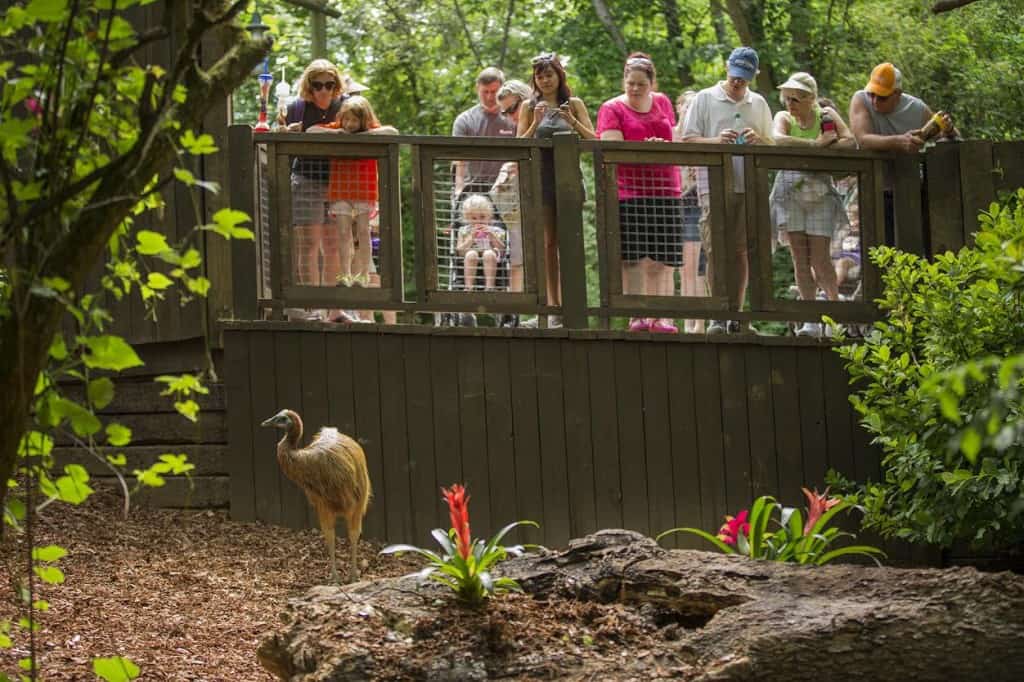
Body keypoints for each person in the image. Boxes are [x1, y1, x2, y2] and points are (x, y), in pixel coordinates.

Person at [681, 46, 774, 335]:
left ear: (753, 77)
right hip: (713, 185)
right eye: (735, 76)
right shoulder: (705, 99)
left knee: (741, 251)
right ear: (726, 68)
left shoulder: (758, 103)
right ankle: (718, 314)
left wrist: (759, 139)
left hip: (748, 185)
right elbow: (687, 140)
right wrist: (715, 141)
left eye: (744, 79)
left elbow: (772, 144)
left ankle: (737, 314)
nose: (737, 82)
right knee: (715, 251)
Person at [597, 52, 684, 334]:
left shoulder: (663, 102)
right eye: (630, 82)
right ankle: (637, 315)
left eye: (641, 84)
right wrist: (645, 147)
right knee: (633, 258)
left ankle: (660, 317)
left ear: (651, 83)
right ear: (624, 80)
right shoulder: (611, 108)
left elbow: (673, 135)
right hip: (629, 191)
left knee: (660, 259)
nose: (634, 88)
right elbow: (611, 145)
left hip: (666, 188)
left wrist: (660, 144)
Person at [768, 72, 855, 336]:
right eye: (787, 98)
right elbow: (778, 139)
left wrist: (830, 143)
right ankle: (810, 320)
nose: (790, 104)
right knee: (800, 259)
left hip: (820, 194)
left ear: (811, 99)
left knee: (820, 258)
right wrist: (816, 145)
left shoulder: (826, 115)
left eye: (796, 98)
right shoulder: (783, 118)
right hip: (791, 193)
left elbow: (850, 141)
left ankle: (834, 317)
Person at [517, 53, 596, 328]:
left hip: (570, 179)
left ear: (559, 75)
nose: (545, 80)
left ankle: (575, 304)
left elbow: (593, 138)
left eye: (549, 74)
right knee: (549, 244)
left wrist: (571, 121)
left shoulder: (573, 104)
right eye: (540, 76)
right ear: (535, 80)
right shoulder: (529, 106)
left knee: (570, 243)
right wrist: (535, 123)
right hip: (542, 180)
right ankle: (554, 306)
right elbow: (520, 144)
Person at [848, 63, 960, 242]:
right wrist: (900, 141)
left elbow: (950, 140)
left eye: (882, 97)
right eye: (872, 94)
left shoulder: (917, 108)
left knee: (918, 243)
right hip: (874, 188)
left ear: (897, 94)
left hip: (912, 189)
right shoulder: (860, 100)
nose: (875, 101)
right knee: (879, 249)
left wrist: (949, 130)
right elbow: (863, 139)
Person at [312, 96, 398, 323]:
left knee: (362, 232)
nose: (349, 125)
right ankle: (346, 273)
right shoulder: (338, 128)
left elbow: (393, 132)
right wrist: (336, 133)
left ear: (363, 121)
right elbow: (311, 130)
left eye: (354, 122)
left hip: (364, 190)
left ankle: (362, 275)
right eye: (346, 120)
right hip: (340, 190)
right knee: (343, 234)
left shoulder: (370, 129)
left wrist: (366, 136)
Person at [277, 59, 348, 321]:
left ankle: (334, 309)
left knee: (334, 246)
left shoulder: (346, 106)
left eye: (329, 85)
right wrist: (288, 132)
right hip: (306, 179)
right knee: (308, 245)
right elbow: (278, 134)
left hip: (339, 182)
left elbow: (370, 127)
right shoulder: (297, 107)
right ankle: (312, 308)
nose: (324, 91)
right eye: (317, 85)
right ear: (309, 86)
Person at [449, 67, 516, 326]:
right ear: (478, 90)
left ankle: (503, 307)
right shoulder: (465, 120)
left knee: (501, 248)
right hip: (473, 194)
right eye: (485, 92)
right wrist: (457, 194)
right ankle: (465, 307)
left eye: (495, 92)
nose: (490, 97)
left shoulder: (510, 118)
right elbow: (460, 162)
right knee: (465, 246)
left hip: (504, 191)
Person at [491, 80, 533, 299]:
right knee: (516, 257)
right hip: (517, 205)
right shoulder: (519, 128)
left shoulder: (543, 119)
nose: (510, 117)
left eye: (512, 109)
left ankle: (553, 313)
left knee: (548, 256)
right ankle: (516, 310)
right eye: (505, 113)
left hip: (542, 199)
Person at [673, 90, 705, 333]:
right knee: (682, 269)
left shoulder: (701, 135)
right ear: (678, 108)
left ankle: (700, 322)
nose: (689, 110)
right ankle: (687, 321)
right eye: (686, 106)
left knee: (696, 266)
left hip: (696, 203)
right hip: (674, 203)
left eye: (695, 106)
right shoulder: (670, 134)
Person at [456, 194, 506, 292]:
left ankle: (490, 287)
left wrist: (491, 235)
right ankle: (469, 287)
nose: (478, 220)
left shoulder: (496, 230)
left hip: (491, 257)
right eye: (474, 218)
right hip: (470, 257)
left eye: (482, 217)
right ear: (467, 218)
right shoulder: (464, 231)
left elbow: (502, 250)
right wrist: (471, 238)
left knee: (489, 254)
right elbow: (460, 251)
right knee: (471, 254)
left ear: (489, 216)